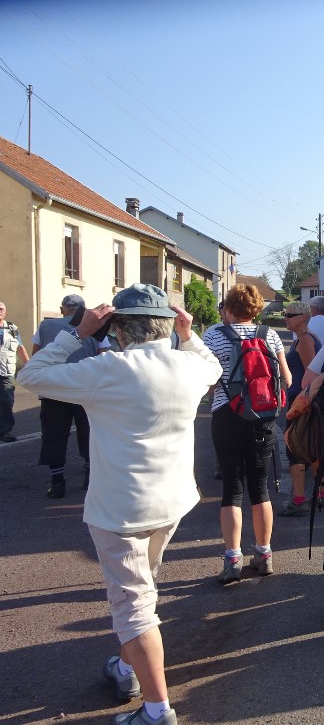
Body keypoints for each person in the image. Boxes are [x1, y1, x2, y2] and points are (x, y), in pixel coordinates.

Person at [17, 284, 222, 725]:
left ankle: (156, 710)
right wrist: (189, 335)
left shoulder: (107, 368)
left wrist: (78, 330)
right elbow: (213, 364)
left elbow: (30, 377)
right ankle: (128, 668)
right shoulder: (187, 365)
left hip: (120, 509)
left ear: (118, 330)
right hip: (171, 501)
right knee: (141, 592)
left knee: (134, 608)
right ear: (166, 326)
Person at [203, 284, 290, 585]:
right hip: (262, 417)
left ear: (228, 308)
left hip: (227, 415)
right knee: (260, 487)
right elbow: (287, 379)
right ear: (256, 309)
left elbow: (208, 383)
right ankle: (264, 555)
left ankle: (232, 560)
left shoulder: (214, 335)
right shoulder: (270, 334)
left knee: (231, 487)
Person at [32, 294, 110, 497]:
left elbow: (36, 355)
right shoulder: (95, 328)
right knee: (88, 430)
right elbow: (103, 357)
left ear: (61, 309)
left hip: (53, 388)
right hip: (85, 388)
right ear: (84, 311)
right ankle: (89, 475)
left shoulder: (45, 326)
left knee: (54, 434)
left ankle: (57, 481)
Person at [277, 301, 324, 516]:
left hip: (302, 403)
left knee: (296, 450)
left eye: (290, 315)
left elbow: (311, 376)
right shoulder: (305, 338)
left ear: (303, 317)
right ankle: (319, 495)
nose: (285, 318)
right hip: (307, 403)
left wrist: (302, 405)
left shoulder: (305, 340)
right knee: (312, 450)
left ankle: (299, 500)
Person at [0, 300, 29, 442]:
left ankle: (4, 431)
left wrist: (29, 364)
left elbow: (20, 348)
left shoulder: (12, 328)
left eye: (1, 309)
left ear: (5, 312)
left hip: (7, 373)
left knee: (7, 402)